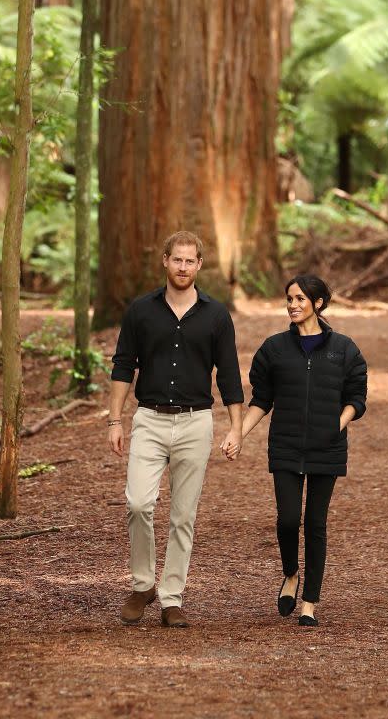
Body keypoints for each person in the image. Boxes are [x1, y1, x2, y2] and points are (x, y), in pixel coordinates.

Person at [107, 230, 244, 629]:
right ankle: (143, 583)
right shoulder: (140, 311)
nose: (183, 267)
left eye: (190, 261)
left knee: (183, 516)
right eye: (177, 259)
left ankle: (171, 597)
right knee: (137, 503)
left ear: (199, 265)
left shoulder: (217, 315)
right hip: (148, 419)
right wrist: (115, 419)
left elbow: (230, 374)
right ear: (165, 261)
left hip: (195, 422)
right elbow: (122, 365)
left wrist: (236, 428)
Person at [228, 273, 367, 627]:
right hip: (286, 445)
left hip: (327, 448)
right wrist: (238, 433)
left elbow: (356, 398)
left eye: (300, 299)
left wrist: (334, 426)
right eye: (289, 298)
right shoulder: (274, 349)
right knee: (289, 519)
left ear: (318, 304)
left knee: (315, 523)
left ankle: (310, 602)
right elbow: (262, 399)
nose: (293, 305)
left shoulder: (344, 349)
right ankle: (291, 573)